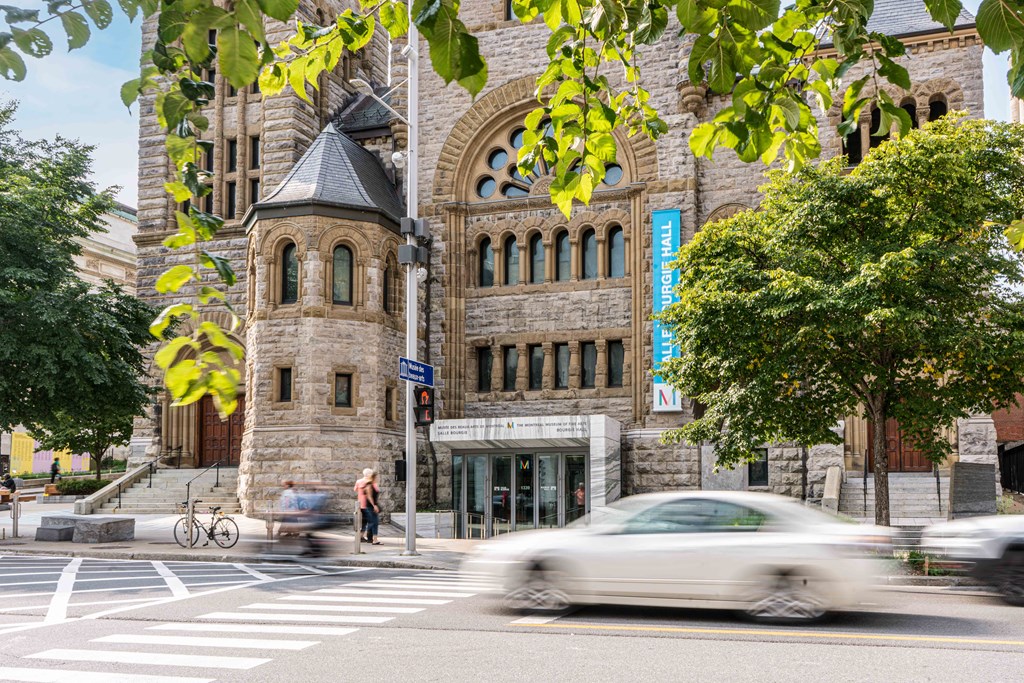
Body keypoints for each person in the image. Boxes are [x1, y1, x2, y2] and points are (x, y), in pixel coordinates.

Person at [358, 469, 381, 545]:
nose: (378, 478)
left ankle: (371, 538)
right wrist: (374, 505)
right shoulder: (369, 485)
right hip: (370, 506)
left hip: (373, 505)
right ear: (373, 477)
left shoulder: (373, 484)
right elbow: (369, 496)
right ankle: (374, 539)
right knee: (374, 522)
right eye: (377, 477)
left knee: (374, 522)